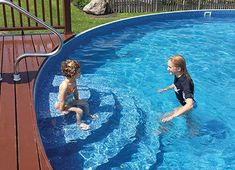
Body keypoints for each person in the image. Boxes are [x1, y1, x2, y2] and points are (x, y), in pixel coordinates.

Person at [55, 59, 97, 130]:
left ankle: (88, 114)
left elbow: (75, 91)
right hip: (64, 105)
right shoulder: (64, 85)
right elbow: (62, 100)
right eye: (78, 72)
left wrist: (77, 101)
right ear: (72, 74)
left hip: (71, 101)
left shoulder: (73, 80)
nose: (80, 73)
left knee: (85, 103)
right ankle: (79, 123)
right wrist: (62, 110)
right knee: (79, 111)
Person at [158, 55, 195, 123]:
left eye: (170, 67)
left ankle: (158, 133)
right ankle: (192, 129)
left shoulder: (186, 82)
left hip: (186, 106)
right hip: (183, 104)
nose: (167, 69)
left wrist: (172, 117)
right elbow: (176, 85)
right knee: (188, 121)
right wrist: (165, 89)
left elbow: (190, 104)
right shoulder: (178, 75)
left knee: (165, 119)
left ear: (178, 69)